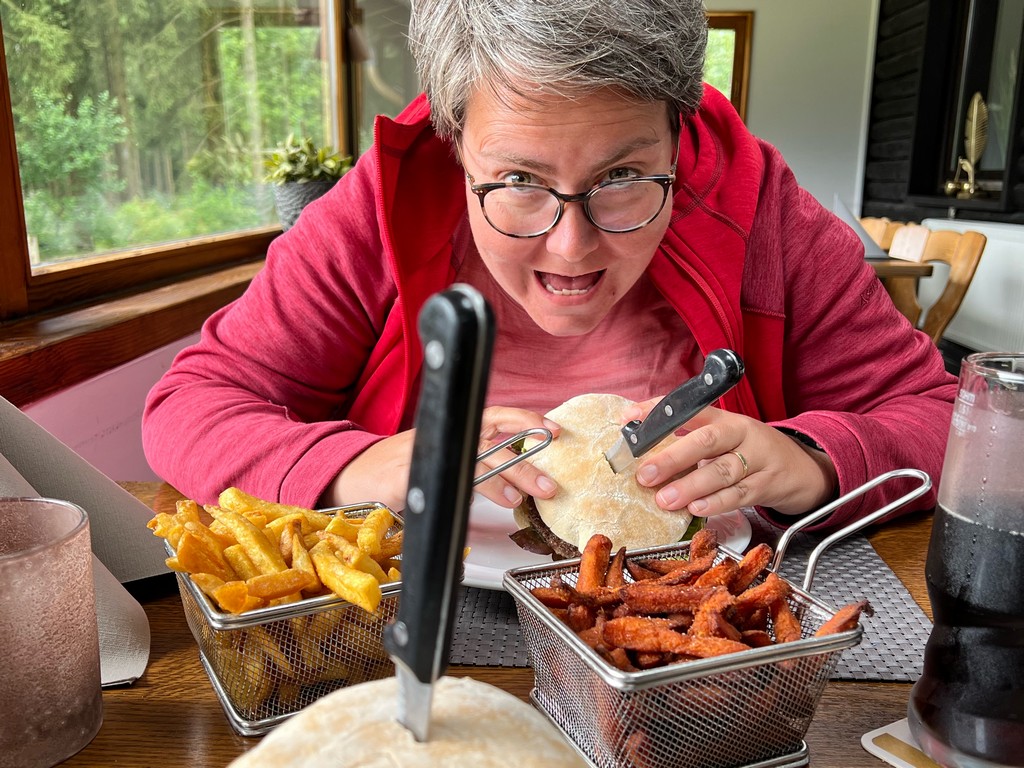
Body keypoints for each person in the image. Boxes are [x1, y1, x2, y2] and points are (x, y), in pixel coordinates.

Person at [142, 0, 955, 532]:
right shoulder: (376, 210)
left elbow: (942, 417)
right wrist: (362, 463)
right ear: (453, 142)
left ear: (681, 134)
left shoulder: (763, 207)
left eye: (625, 178)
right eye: (519, 183)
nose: (572, 250)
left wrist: (808, 461)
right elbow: (192, 407)